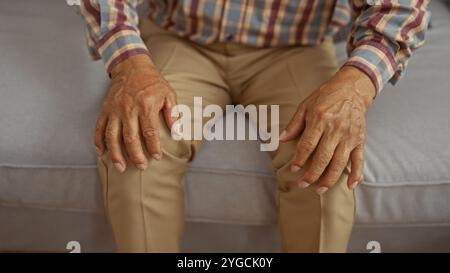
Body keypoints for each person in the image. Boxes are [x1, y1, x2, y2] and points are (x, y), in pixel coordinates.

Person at [78, 0, 429, 252]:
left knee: (325, 166)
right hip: (179, 36)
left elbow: (400, 8)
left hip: (296, 48)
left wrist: (356, 85)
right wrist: (129, 63)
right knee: (136, 150)